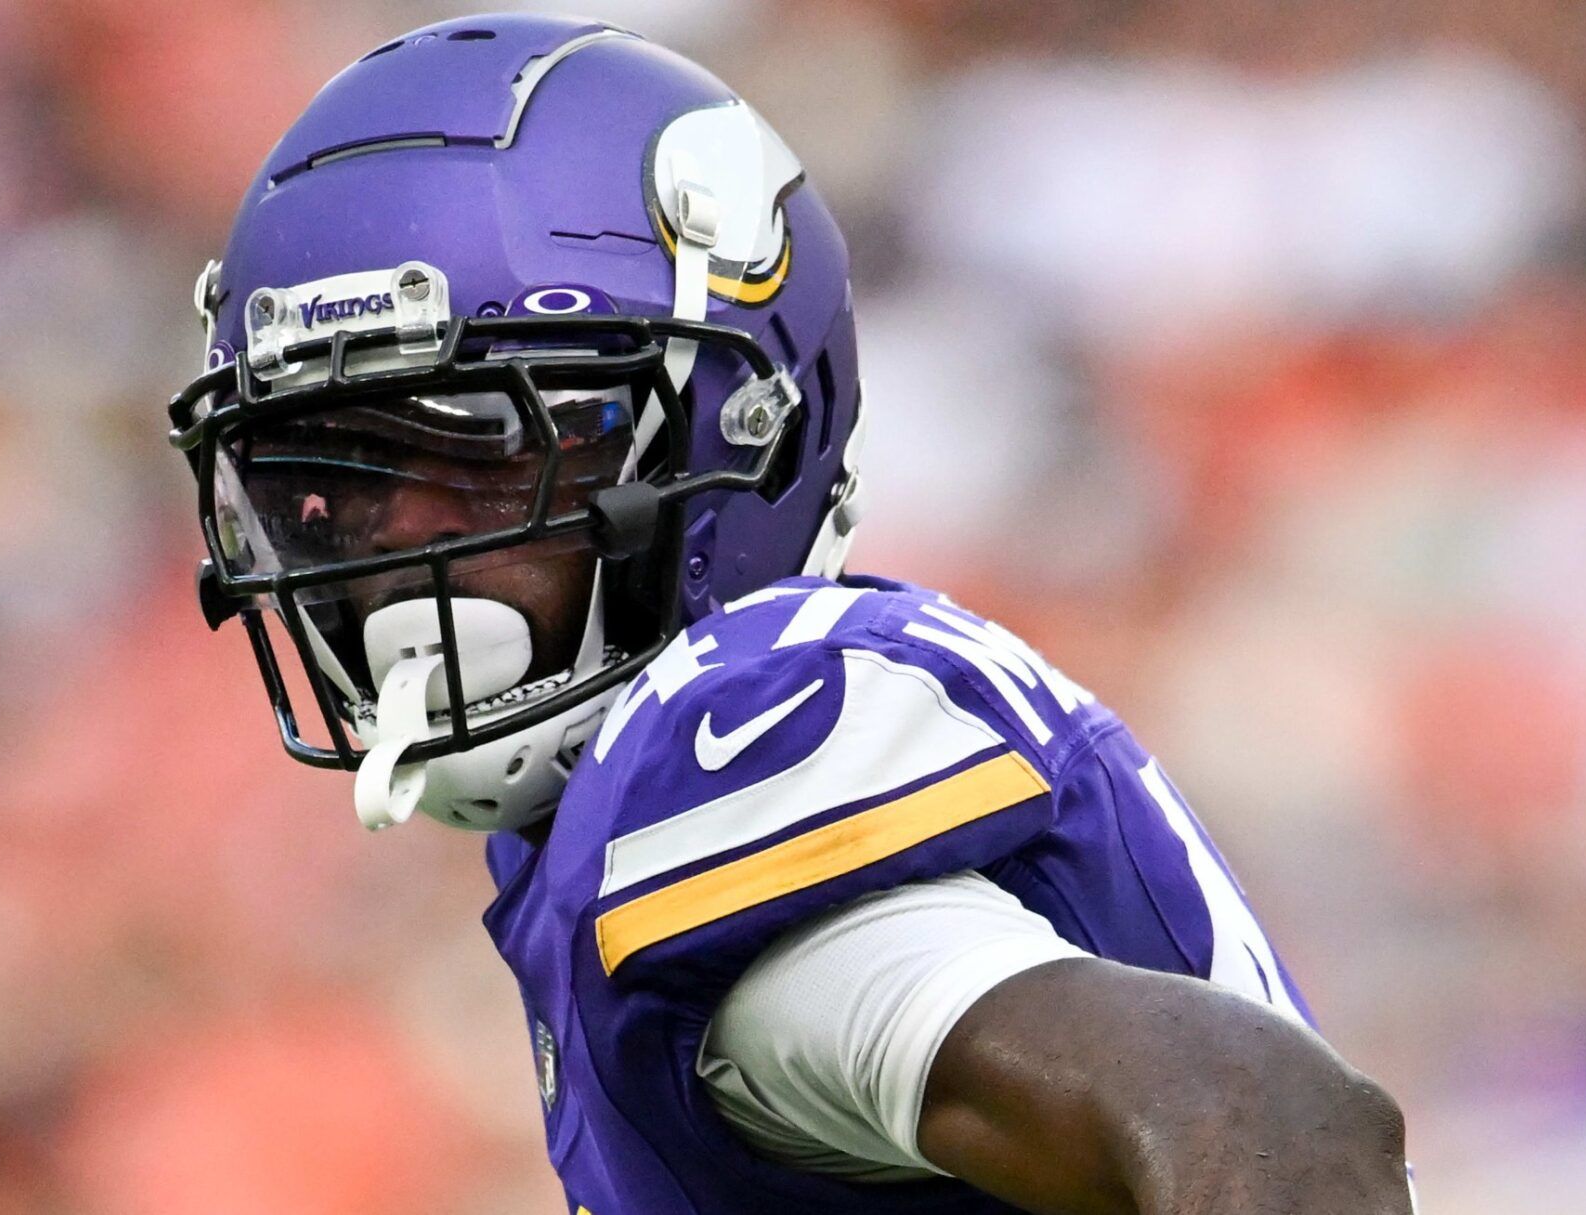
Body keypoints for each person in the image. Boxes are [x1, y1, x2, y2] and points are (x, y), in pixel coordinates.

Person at [164, 15, 1411, 1214]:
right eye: (334, 480)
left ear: (742, 429)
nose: (404, 554)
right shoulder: (581, 834)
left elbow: (1263, 1117)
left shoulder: (720, 744)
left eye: (492, 454)